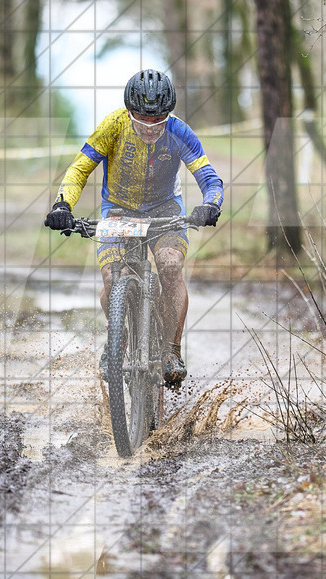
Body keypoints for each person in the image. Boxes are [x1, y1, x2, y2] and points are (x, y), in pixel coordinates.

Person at [45, 69, 224, 389]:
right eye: (142, 119)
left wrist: (210, 204)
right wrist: (63, 205)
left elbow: (209, 178)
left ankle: (171, 350)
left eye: (159, 120)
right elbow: (79, 169)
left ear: (168, 115)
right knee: (113, 277)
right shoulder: (113, 127)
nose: (151, 127)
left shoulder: (180, 132)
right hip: (118, 210)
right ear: (129, 112)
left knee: (170, 266)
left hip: (166, 210)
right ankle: (117, 340)